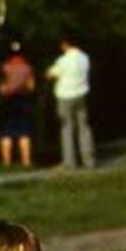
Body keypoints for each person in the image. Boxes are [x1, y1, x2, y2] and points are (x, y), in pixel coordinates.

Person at [48, 37, 94, 170]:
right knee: (84, 127)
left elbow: (52, 73)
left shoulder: (63, 60)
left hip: (65, 95)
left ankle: (70, 161)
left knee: (66, 128)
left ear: (65, 45)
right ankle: (88, 160)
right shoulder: (85, 58)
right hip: (81, 93)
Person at [0, 42, 36, 169]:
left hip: (8, 101)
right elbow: (31, 86)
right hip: (23, 100)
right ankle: (26, 162)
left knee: (6, 134)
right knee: (24, 133)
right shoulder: (27, 68)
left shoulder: (4, 67)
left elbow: (1, 88)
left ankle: (7, 164)